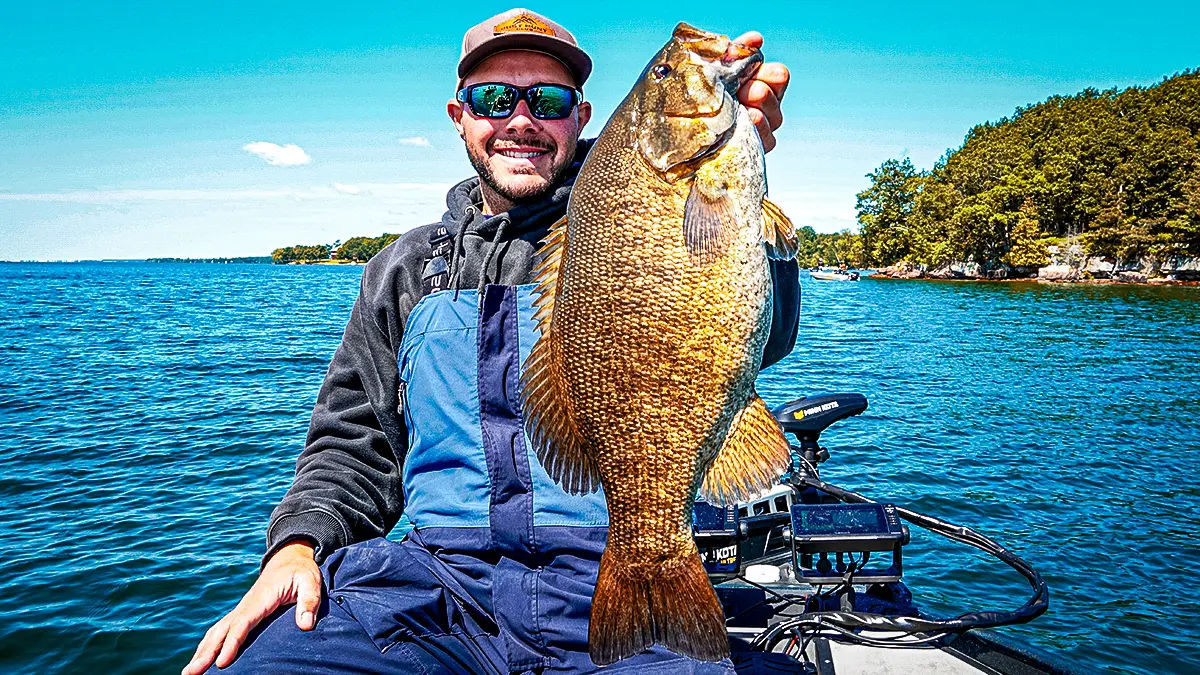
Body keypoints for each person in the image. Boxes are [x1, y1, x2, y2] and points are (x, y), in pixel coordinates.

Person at [184, 9, 798, 675]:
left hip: (606, 575)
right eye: (495, 98)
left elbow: (766, 330)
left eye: (549, 99)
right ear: (460, 116)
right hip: (432, 592)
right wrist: (298, 544)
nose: (521, 118)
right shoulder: (404, 268)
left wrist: (741, 179)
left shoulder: (635, 213)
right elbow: (351, 445)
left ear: (580, 116)